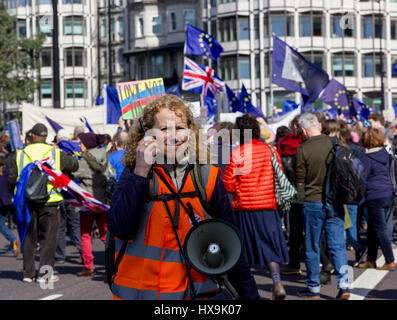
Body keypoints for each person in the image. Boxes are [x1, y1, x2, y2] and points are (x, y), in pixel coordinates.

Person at [108, 94, 260, 300]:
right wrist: (141, 172)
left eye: (180, 128)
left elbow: (232, 244)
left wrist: (250, 295)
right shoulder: (134, 174)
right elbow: (120, 228)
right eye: (164, 129)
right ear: (147, 133)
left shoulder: (206, 176)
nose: (174, 137)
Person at [223, 114, 289, 300]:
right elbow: (280, 176)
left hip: (246, 207)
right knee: (270, 244)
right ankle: (277, 282)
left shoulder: (238, 153)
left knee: (244, 251)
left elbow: (228, 184)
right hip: (268, 205)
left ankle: (246, 291)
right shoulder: (270, 150)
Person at [9, 123, 79, 283]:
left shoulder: (20, 154)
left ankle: (28, 274)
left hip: (26, 202)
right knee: (49, 239)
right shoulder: (54, 152)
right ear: (45, 136)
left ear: (32, 136)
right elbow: (74, 165)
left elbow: (12, 179)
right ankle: (45, 275)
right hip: (50, 202)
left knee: (28, 237)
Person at [295, 113, 351, 300]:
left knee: (312, 246)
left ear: (304, 130)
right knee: (338, 246)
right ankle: (345, 285)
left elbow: (300, 182)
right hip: (335, 201)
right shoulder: (334, 144)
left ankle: (313, 289)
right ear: (319, 125)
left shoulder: (303, 149)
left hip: (313, 201)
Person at [358, 128, 395, 270]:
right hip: (388, 193)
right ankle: (371, 259)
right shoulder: (386, 153)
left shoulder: (367, 158)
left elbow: (363, 176)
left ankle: (390, 260)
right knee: (373, 229)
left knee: (380, 229)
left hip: (374, 195)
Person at [73, 132, 109, 276]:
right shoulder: (103, 154)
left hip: (88, 201)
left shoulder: (85, 159)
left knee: (85, 234)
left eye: (81, 143)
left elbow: (75, 174)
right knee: (105, 234)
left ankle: (89, 266)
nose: (79, 145)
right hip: (102, 200)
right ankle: (115, 259)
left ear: (87, 144)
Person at [277, 115, 305, 276]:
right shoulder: (310, 143)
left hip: (290, 189)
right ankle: (325, 261)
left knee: (294, 228)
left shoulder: (285, 143)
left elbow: (281, 167)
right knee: (312, 229)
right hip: (310, 189)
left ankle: (294, 263)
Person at [0, 157, 20, 256]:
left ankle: (14, 241)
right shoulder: (7, 171)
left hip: (2, 202)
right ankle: (14, 242)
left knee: (1, 225)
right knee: (1, 224)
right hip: (7, 201)